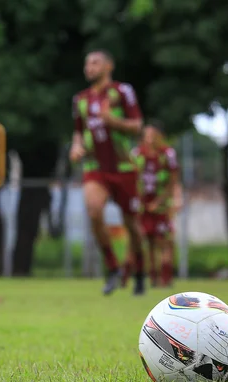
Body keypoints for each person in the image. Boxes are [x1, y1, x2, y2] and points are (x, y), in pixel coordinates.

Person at [70, 50, 145, 296]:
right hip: (95, 168)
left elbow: (136, 126)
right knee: (93, 210)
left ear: (108, 66)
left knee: (132, 225)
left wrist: (112, 121)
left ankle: (139, 272)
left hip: (124, 168)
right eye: (86, 63)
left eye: (95, 62)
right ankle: (112, 267)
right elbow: (78, 132)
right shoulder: (80, 99)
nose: (89, 67)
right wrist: (77, 146)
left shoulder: (122, 92)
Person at [131, 121, 179, 287]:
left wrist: (162, 201)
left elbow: (173, 181)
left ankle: (167, 278)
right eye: (147, 136)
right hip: (143, 207)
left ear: (160, 136)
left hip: (161, 207)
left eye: (153, 136)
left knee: (165, 241)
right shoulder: (137, 154)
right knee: (148, 242)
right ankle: (153, 277)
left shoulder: (168, 154)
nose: (149, 140)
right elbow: (132, 180)